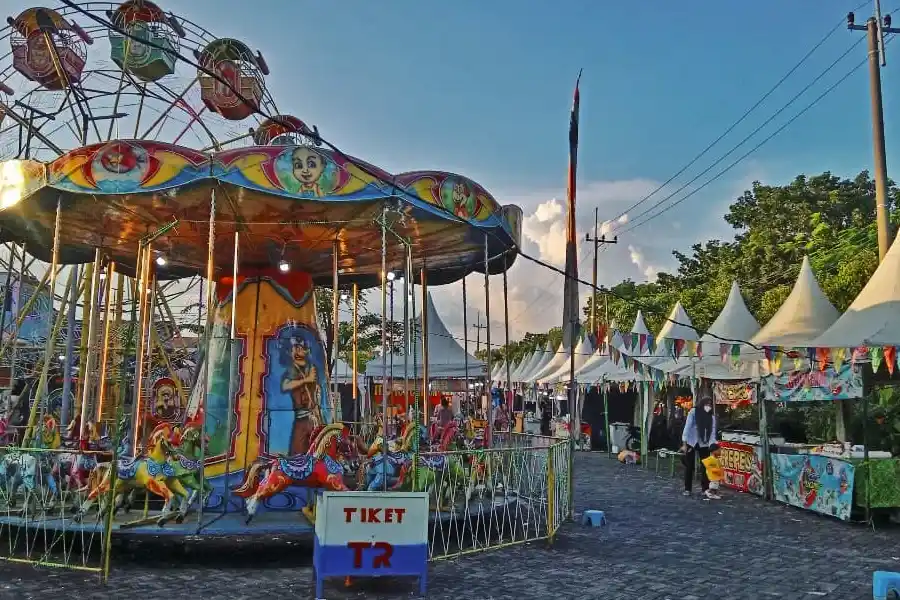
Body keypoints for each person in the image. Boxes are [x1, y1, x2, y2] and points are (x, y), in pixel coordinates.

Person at [680, 395, 720, 499]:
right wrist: (684, 443)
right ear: (702, 404)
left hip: (704, 443)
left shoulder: (711, 417)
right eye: (706, 404)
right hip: (692, 441)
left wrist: (713, 446)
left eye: (710, 405)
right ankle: (687, 489)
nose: (708, 406)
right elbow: (687, 427)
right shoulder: (694, 412)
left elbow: (712, 434)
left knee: (705, 466)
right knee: (689, 466)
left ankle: (704, 489)